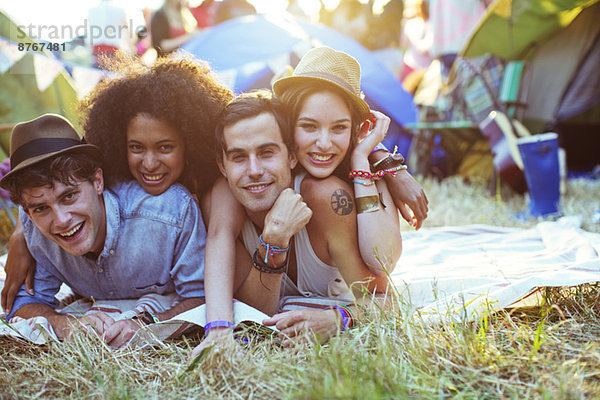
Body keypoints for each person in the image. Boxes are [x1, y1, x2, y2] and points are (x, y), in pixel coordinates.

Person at [197, 47, 428, 352]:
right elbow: (255, 313)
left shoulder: (326, 195)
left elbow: (386, 297)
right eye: (308, 126)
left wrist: (336, 319)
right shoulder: (231, 191)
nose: (254, 171)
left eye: (267, 152)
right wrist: (274, 240)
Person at [1, 56, 233, 314]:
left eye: (165, 147)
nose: (150, 163)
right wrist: (22, 232)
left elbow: (202, 294)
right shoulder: (46, 217)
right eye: (136, 147)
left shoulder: (193, 198)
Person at [0, 114, 206, 347]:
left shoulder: (170, 213)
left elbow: (200, 296)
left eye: (69, 196)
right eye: (41, 208)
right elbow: (24, 303)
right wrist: (65, 324)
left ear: (98, 181)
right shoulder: (34, 229)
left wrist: (148, 324)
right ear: (27, 213)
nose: (61, 221)